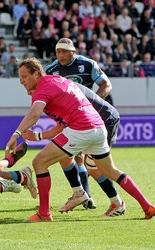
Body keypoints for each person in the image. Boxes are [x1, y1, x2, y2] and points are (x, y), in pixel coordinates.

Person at [5, 57, 155, 222]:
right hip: (98, 128)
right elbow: (61, 126)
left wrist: (15, 135)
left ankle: (45, 213)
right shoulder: (58, 80)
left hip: (81, 128)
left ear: (36, 73)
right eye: (20, 77)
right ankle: (147, 206)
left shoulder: (43, 88)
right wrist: (38, 136)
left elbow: (34, 114)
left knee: (39, 162)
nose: (21, 80)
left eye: (24, 76)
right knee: (110, 171)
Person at [23, 82, 126, 216]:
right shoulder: (59, 84)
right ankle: (81, 193)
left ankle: (116, 203)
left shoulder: (57, 89)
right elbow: (62, 125)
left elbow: (106, 84)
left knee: (94, 169)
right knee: (66, 157)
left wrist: (37, 136)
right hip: (86, 123)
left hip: (102, 121)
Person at [44, 38, 114, 209]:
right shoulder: (51, 70)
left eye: (64, 51)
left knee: (94, 164)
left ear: (73, 52)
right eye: (58, 51)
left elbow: (106, 84)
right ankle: (89, 196)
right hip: (70, 119)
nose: (60, 55)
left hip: (91, 118)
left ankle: (102, 198)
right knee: (76, 157)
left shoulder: (88, 64)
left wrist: (94, 102)